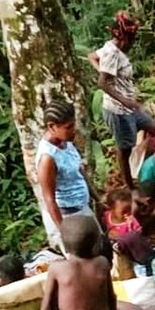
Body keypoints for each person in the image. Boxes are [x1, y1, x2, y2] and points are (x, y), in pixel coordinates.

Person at [89, 11, 155, 190]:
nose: (133, 44)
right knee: (125, 148)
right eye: (132, 40)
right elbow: (102, 82)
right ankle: (130, 186)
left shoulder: (112, 48)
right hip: (118, 110)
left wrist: (108, 73)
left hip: (131, 108)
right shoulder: (112, 53)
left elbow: (92, 56)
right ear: (125, 38)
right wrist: (125, 100)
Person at [36, 100, 100, 251]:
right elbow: (50, 200)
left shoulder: (66, 143)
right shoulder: (47, 158)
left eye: (73, 124)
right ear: (52, 127)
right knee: (84, 259)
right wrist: (65, 233)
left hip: (82, 208)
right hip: (67, 217)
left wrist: (97, 198)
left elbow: (79, 171)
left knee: (101, 248)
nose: (74, 130)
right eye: (69, 127)